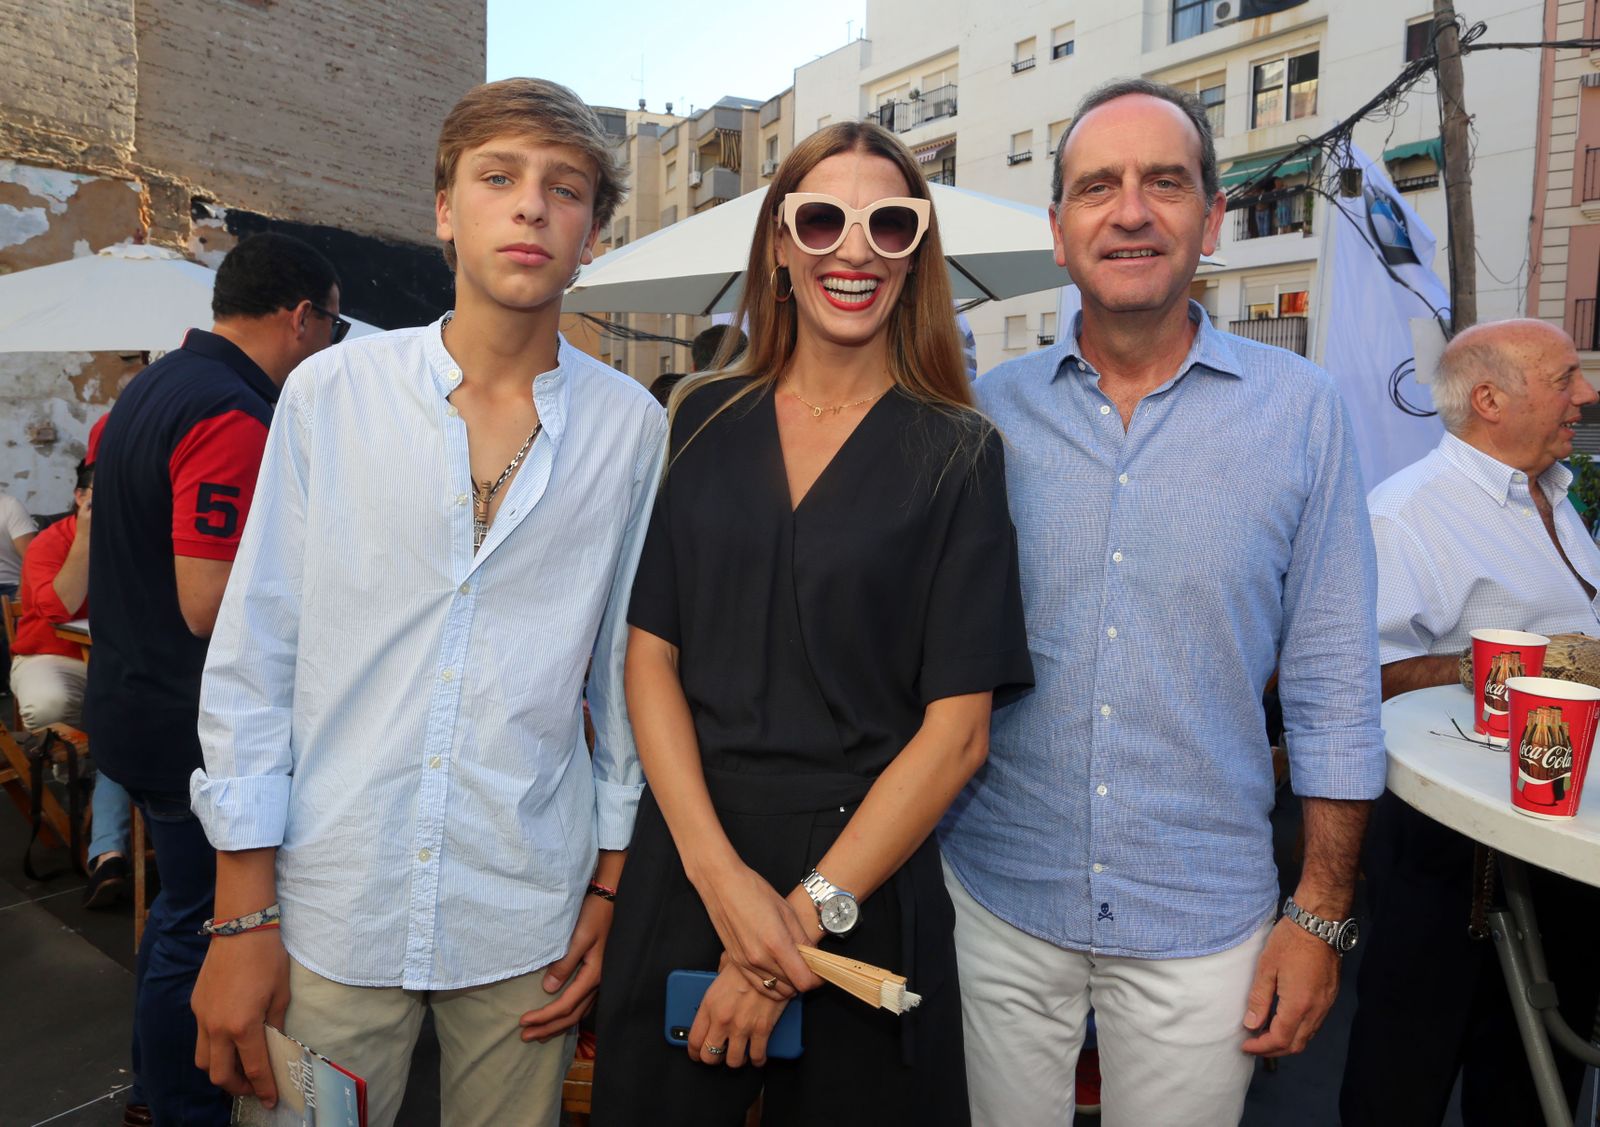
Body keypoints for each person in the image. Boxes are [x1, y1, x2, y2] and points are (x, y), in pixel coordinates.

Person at [188, 79, 664, 1127]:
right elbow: (258, 647)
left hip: (526, 902)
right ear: (445, 209)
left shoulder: (631, 427)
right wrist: (240, 915)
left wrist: (611, 885)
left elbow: (627, 670)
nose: (531, 206)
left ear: (591, 234)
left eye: (565, 188)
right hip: (333, 901)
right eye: (499, 178)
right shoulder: (331, 394)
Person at [937, 77, 1386, 1126]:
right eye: (1097, 186)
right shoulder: (982, 421)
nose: (1130, 210)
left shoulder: (1303, 414)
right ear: (1058, 230)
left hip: (1204, 917)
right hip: (996, 899)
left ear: (1211, 219)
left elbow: (1331, 687)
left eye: (1164, 183)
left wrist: (1317, 914)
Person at [592, 120, 1033, 1127]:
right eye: (824, 218)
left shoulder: (959, 451)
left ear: (916, 252)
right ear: (780, 246)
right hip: (690, 856)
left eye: (890, 224)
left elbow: (957, 731)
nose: (855, 248)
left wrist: (788, 931)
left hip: (861, 882)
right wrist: (721, 883)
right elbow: (649, 656)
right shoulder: (699, 414)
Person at [84, 230, 343, 1125]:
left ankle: (154, 1089)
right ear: (302, 318)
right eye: (334, 329)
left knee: (174, 924)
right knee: (200, 930)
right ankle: (177, 1102)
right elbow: (209, 599)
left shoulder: (149, 388)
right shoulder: (233, 413)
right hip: (182, 716)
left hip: (131, 695)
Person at [1340, 319, 1600, 1126]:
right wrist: (1516, 665)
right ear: (1489, 399)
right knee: (1403, 1080)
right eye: (1564, 379)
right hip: (1454, 849)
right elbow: (1352, 677)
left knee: (1534, 1082)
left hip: (1559, 823)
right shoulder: (1407, 513)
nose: (1586, 395)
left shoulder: (1554, 492)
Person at [10, 453, 135, 905]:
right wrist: (86, 536)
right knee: (49, 702)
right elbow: (61, 609)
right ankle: (80, 780)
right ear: (81, 497)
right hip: (54, 653)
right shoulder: (51, 542)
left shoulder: (138, 537)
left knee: (127, 724)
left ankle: (107, 851)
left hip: (117, 661)